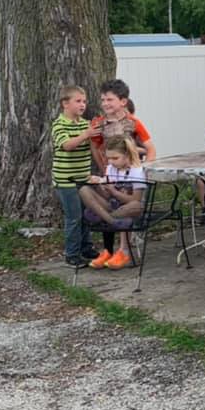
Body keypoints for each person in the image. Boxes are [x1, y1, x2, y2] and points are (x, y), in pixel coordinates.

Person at [51, 85, 101, 268]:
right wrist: (86, 134)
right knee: (74, 217)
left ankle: (86, 247)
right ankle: (71, 254)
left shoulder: (86, 124)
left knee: (86, 215)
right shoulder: (59, 124)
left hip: (84, 179)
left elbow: (94, 147)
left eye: (84, 101)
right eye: (78, 101)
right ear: (65, 103)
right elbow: (67, 146)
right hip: (66, 181)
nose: (82, 105)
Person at [80, 136, 147, 270]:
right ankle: (111, 221)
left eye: (115, 158)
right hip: (113, 208)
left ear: (127, 155)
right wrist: (99, 185)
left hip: (129, 209)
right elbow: (107, 196)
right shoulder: (111, 168)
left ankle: (123, 250)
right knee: (84, 189)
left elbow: (135, 200)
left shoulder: (137, 171)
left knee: (132, 207)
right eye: (109, 158)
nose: (111, 162)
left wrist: (114, 192)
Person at [90, 79, 156, 171]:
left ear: (123, 102)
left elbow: (151, 149)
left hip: (131, 172)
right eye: (103, 100)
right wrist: (104, 170)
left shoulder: (133, 122)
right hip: (111, 171)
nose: (105, 103)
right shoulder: (98, 123)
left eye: (109, 100)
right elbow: (95, 148)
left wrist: (143, 170)